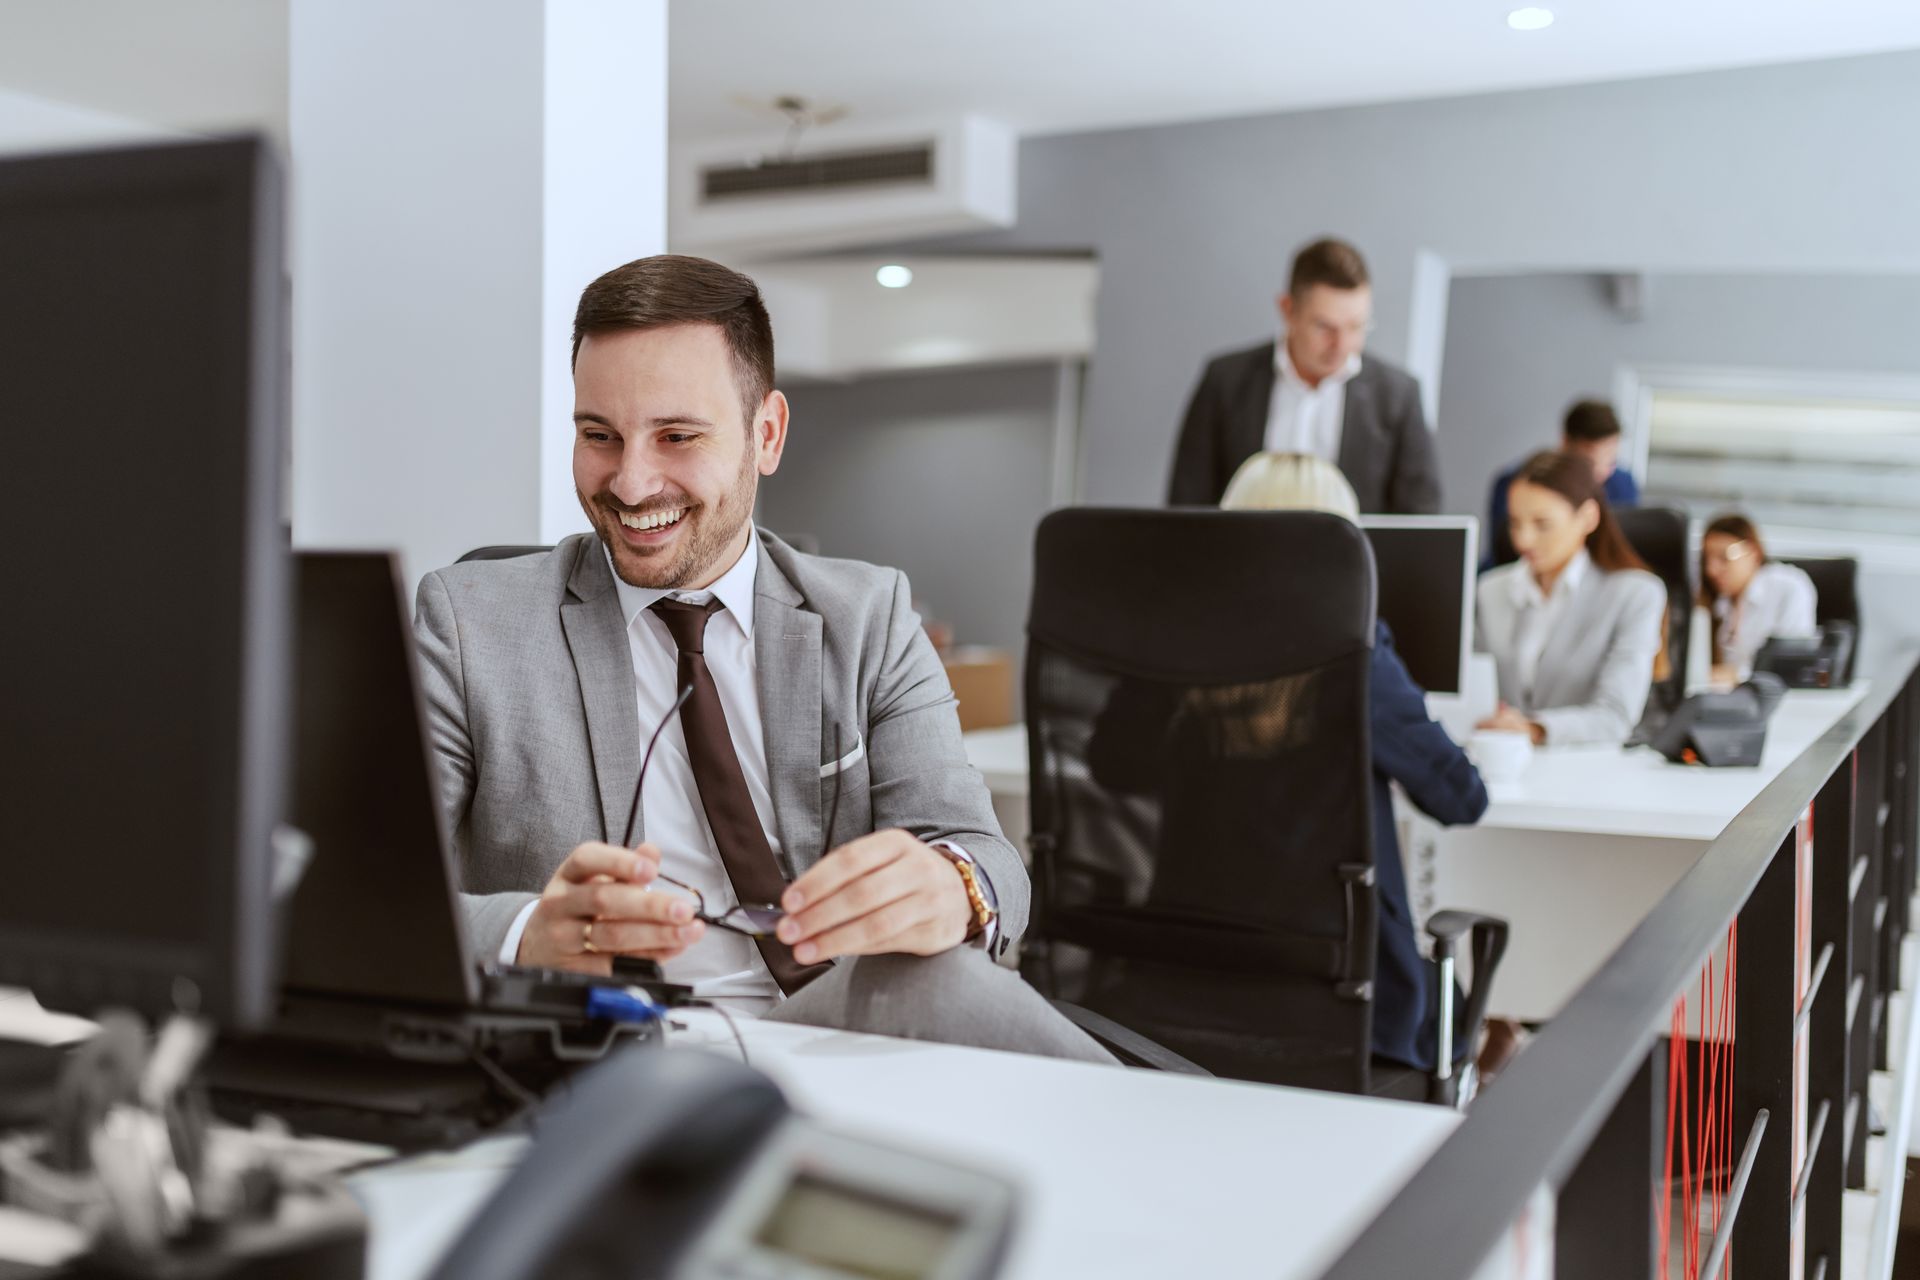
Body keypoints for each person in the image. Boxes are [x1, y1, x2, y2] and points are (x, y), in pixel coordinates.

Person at [413, 253, 1109, 1062]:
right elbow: (363, 897)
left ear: (766, 433)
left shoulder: (869, 617)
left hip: (836, 1035)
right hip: (594, 1048)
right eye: (599, 435)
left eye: (677, 436)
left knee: (946, 987)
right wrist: (531, 930)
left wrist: (948, 888)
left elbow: (988, 860)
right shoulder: (470, 621)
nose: (632, 484)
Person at [1221, 453, 1489, 1072]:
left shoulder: (1170, 644)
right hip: (1347, 999)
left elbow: (1107, 765)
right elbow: (1461, 798)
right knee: (1451, 1005)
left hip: (1191, 977)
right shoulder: (1354, 653)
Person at [1166, 237, 1441, 514]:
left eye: (1356, 326)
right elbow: (1186, 509)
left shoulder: (1398, 395)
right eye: (1325, 327)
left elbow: (1422, 520)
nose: (1342, 345)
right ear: (1288, 309)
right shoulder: (1225, 382)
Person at [1475, 450, 1666, 746]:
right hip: (1500, 768)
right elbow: (1474, 694)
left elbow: (1615, 717)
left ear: (1588, 518)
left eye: (1542, 524)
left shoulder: (1635, 594)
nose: (1523, 540)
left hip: (1585, 774)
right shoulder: (1490, 590)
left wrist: (1534, 729)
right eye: (1514, 523)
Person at [1483, 399, 1640, 570]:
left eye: (1611, 461)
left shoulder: (1622, 483)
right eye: (1591, 462)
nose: (1602, 472)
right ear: (1565, 443)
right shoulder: (1519, 482)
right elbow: (1504, 550)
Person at [1699, 513, 1818, 684]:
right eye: (1706, 559)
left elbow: (1789, 664)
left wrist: (1739, 675)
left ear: (1753, 552)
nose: (1711, 570)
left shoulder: (1788, 587)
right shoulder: (1719, 603)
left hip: (1772, 696)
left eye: (1723, 557)